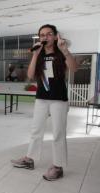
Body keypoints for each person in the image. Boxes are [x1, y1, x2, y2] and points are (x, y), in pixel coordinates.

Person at [11, 24, 77, 181]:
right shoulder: (38, 54)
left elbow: (74, 68)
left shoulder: (61, 52)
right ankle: (30, 159)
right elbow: (30, 75)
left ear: (55, 36)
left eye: (48, 34)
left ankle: (58, 166)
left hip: (58, 99)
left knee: (58, 133)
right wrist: (35, 55)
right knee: (36, 130)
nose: (45, 37)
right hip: (41, 98)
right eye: (42, 35)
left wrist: (65, 50)